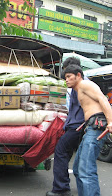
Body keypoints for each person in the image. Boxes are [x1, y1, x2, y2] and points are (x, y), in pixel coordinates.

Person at [64, 64, 112, 196]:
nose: (66, 80)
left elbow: (102, 99)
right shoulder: (78, 91)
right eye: (65, 78)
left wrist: (111, 121)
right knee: (77, 169)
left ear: (78, 75)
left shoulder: (85, 84)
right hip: (90, 128)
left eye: (69, 76)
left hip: (96, 127)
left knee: (86, 170)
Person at [46, 57, 85, 196]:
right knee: (75, 157)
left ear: (76, 73)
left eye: (68, 75)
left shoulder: (83, 86)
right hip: (77, 126)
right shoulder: (77, 86)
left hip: (77, 126)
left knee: (61, 151)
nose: (66, 78)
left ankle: (61, 188)